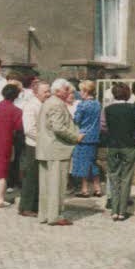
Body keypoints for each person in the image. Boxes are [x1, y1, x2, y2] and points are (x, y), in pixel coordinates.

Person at [36, 79, 84, 226]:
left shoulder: (48, 102)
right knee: (57, 185)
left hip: (46, 148)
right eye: (67, 89)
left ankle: (45, 215)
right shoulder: (57, 104)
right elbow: (58, 127)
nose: (70, 92)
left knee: (46, 186)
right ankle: (55, 216)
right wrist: (75, 137)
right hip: (56, 149)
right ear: (58, 91)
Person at [103, 83, 135, 221]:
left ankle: (114, 210)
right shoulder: (133, 108)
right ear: (127, 94)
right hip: (128, 146)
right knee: (126, 178)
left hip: (113, 146)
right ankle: (122, 211)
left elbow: (106, 127)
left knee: (113, 177)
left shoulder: (108, 109)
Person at [19, 80, 50, 216]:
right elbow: (29, 129)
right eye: (45, 92)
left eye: (49, 91)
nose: (48, 94)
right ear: (36, 92)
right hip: (33, 145)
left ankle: (36, 205)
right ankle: (26, 207)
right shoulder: (31, 106)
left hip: (43, 145)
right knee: (31, 177)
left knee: (40, 177)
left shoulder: (44, 104)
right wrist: (45, 139)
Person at [0, 84, 24, 207]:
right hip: (4, 143)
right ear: (16, 96)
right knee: (1, 173)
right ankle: (0, 199)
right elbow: (19, 127)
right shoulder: (16, 111)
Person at [71, 81, 102, 198]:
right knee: (92, 162)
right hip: (94, 136)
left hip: (83, 136)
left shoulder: (82, 105)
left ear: (85, 91)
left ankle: (85, 189)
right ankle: (97, 188)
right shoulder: (97, 104)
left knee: (83, 163)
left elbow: (76, 120)